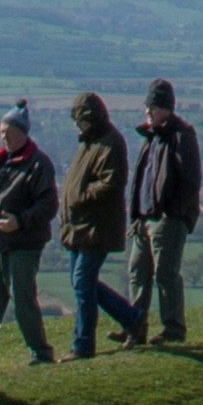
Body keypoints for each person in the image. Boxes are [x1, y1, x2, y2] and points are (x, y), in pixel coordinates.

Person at [0, 105, 60, 365]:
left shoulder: (39, 164)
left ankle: (40, 353)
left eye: (7, 132)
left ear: (21, 132)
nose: (3, 137)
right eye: (0, 132)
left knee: (22, 299)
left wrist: (20, 221)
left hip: (23, 244)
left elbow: (49, 205)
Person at [57, 90, 147, 356]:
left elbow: (111, 183)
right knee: (80, 283)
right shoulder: (90, 142)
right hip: (79, 227)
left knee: (83, 283)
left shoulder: (110, 143)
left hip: (96, 227)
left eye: (81, 120)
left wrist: (81, 197)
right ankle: (132, 319)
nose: (78, 125)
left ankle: (83, 345)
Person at [128, 77, 203, 351]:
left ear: (167, 108)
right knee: (137, 272)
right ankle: (134, 327)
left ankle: (173, 328)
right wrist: (137, 215)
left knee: (165, 275)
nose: (148, 112)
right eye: (147, 107)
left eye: (154, 107)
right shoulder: (151, 138)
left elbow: (190, 181)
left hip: (167, 220)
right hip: (145, 219)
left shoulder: (182, 136)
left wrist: (173, 213)